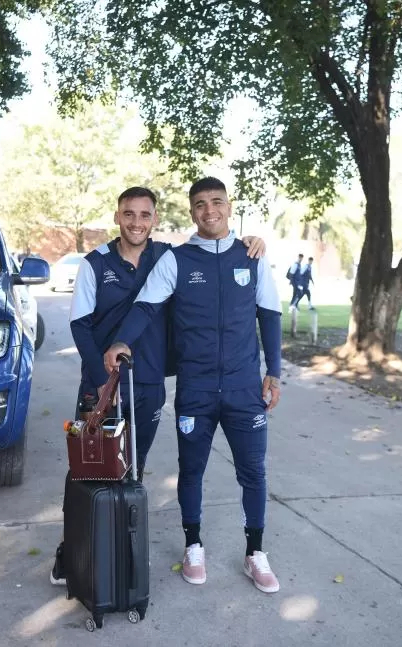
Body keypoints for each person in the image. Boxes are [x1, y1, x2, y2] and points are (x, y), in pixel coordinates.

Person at [49, 186, 267, 586]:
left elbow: (214, 250)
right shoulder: (95, 263)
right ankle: (72, 552)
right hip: (99, 385)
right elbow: (79, 325)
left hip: (146, 383)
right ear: (117, 216)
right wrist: (100, 381)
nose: (136, 222)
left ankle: (120, 549)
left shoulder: (167, 256)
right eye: (128, 214)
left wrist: (252, 242)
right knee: (87, 468)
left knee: (134, 469)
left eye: (144, 215)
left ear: (155, 219)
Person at [103, 177, 283, 594]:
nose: (209, 211)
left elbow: (269, 315)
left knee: (253, 472)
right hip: (196, 390)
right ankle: (193, 544)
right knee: (192, 470)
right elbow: (145, 306)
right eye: (200, 205)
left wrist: (273, 371)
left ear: (229, 206)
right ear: (191, 212)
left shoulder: (251, 256)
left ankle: (255, 552)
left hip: (244, 389)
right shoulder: (177, 260)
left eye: (216, 202)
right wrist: (120, 341)